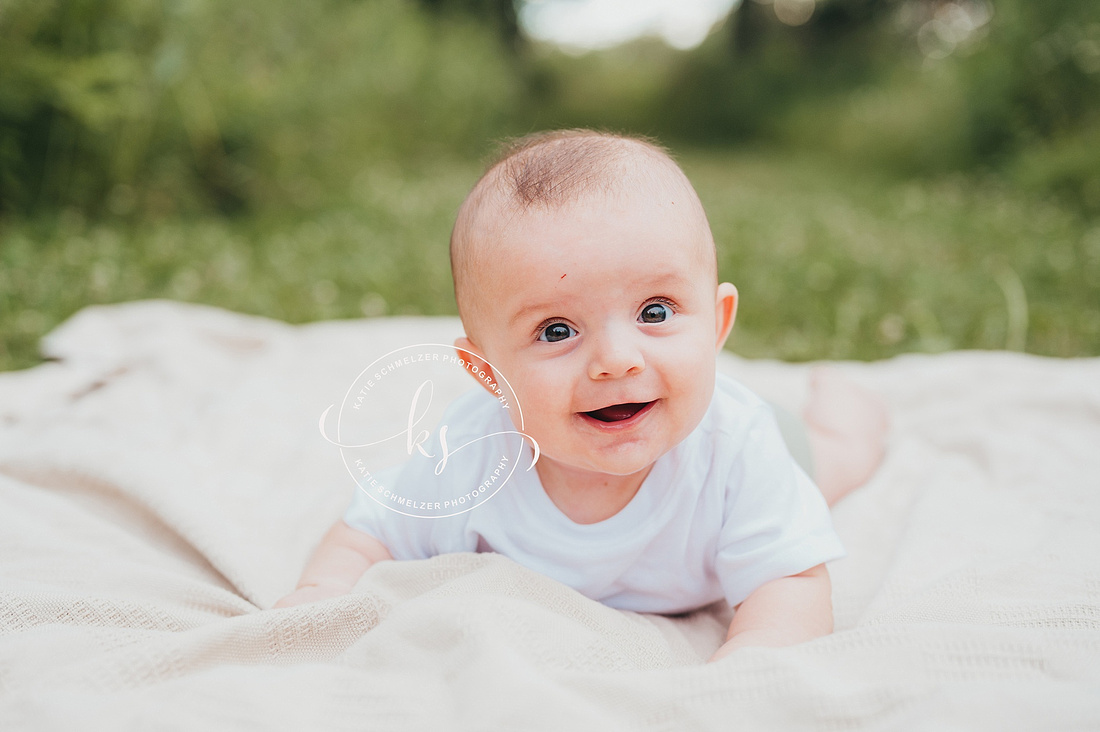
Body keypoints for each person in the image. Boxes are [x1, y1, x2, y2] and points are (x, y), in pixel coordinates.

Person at [275, 130, 888, 663]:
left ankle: (845, 411)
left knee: (835, 463)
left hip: (784, 444)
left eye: (655, 311)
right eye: (557, 331)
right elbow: (369, 532)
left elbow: (791, 587)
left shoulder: (742, 454)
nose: (616, 360)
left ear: (718, 322)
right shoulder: (469, 457)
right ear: (487, 373)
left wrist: (748, 665)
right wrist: (319, 597)